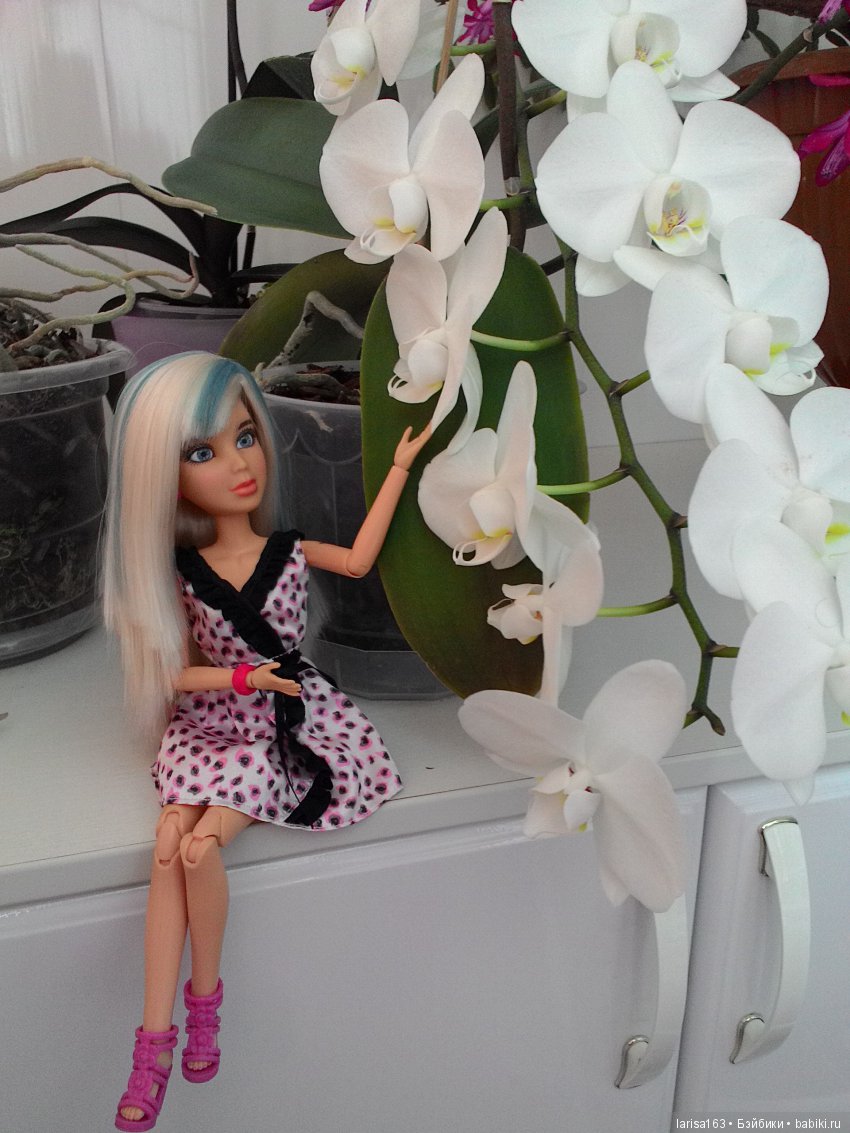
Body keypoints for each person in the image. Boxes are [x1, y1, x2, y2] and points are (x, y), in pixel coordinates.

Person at [103, 352, 430, 1131]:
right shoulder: (182, 573)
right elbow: (176, 675)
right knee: (166, 845)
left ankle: (204, 1008)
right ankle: (152, 1043)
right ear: (164, 478)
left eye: (245, 436)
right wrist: (241, 678)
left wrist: (396, 467)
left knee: (196, 848)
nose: (238, 463)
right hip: (214, 721)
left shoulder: (285, 550)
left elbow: (359, 559)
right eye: (203, 451)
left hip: (276, 729)